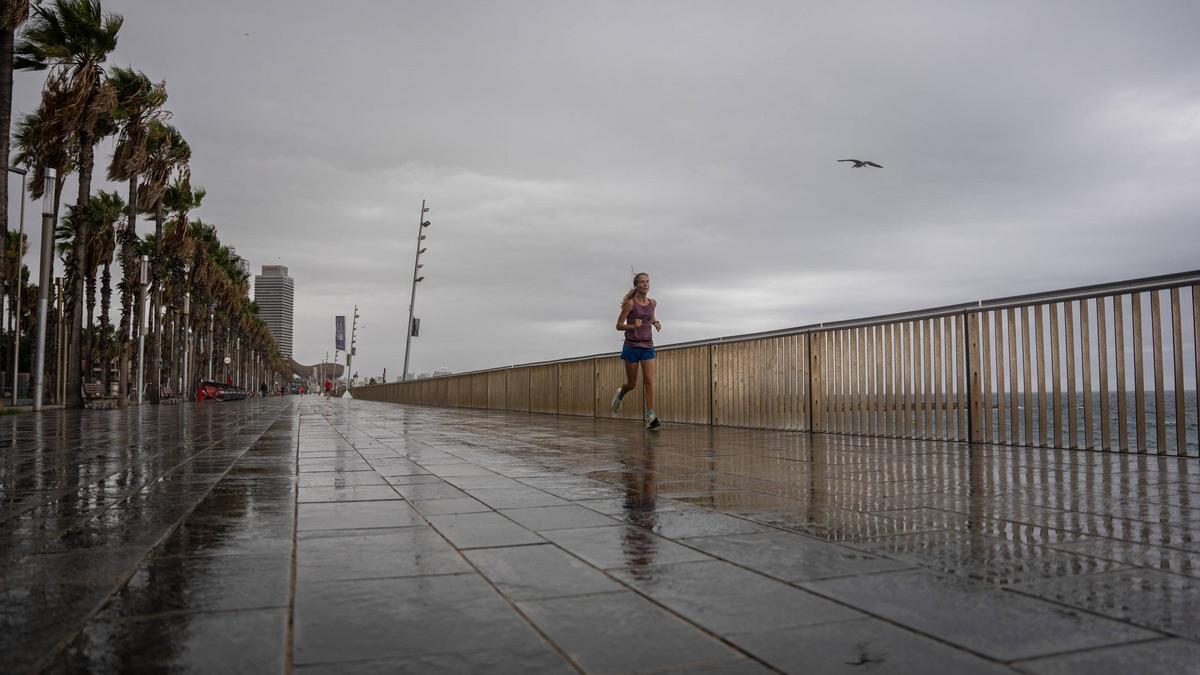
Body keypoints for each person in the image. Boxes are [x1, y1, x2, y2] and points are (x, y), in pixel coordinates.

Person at [611, 272, 662, 428]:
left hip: (647, 346)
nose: (645, 284)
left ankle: (650, 415)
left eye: (647, 281)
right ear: (636, 285)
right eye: (642, 282)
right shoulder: (630, 304)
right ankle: (620, 394)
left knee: (649, 380)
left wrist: (655, 322)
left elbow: (650, 316)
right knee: (632, 384)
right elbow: (618, 325)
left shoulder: (653, 303)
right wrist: (633, 326)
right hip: (632, 346)